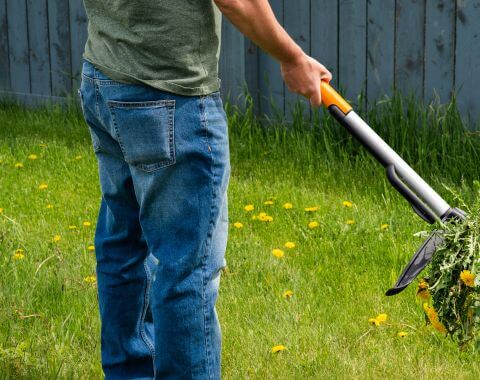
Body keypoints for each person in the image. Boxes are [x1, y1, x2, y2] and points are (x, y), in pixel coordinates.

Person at [78, 0, 331, 378]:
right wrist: (292, 57)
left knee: (123, 246)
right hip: (167, 93)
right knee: (186, 270)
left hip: (104, 77)